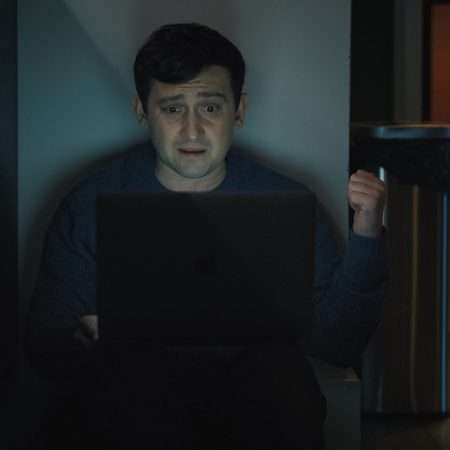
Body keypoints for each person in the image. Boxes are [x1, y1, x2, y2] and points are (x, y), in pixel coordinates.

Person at [26, 23, 386, 450]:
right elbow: (46, 343)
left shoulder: (287, 202)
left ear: (239, 110)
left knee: (280, 376)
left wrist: (366, 234)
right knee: (127, 382)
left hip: (262, 399)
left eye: (211, 107)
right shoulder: (90, 202)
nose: (193, 131)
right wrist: (85, 338)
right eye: (172, 108)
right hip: (135, 402)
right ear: (142, 111)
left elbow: (338, 344)